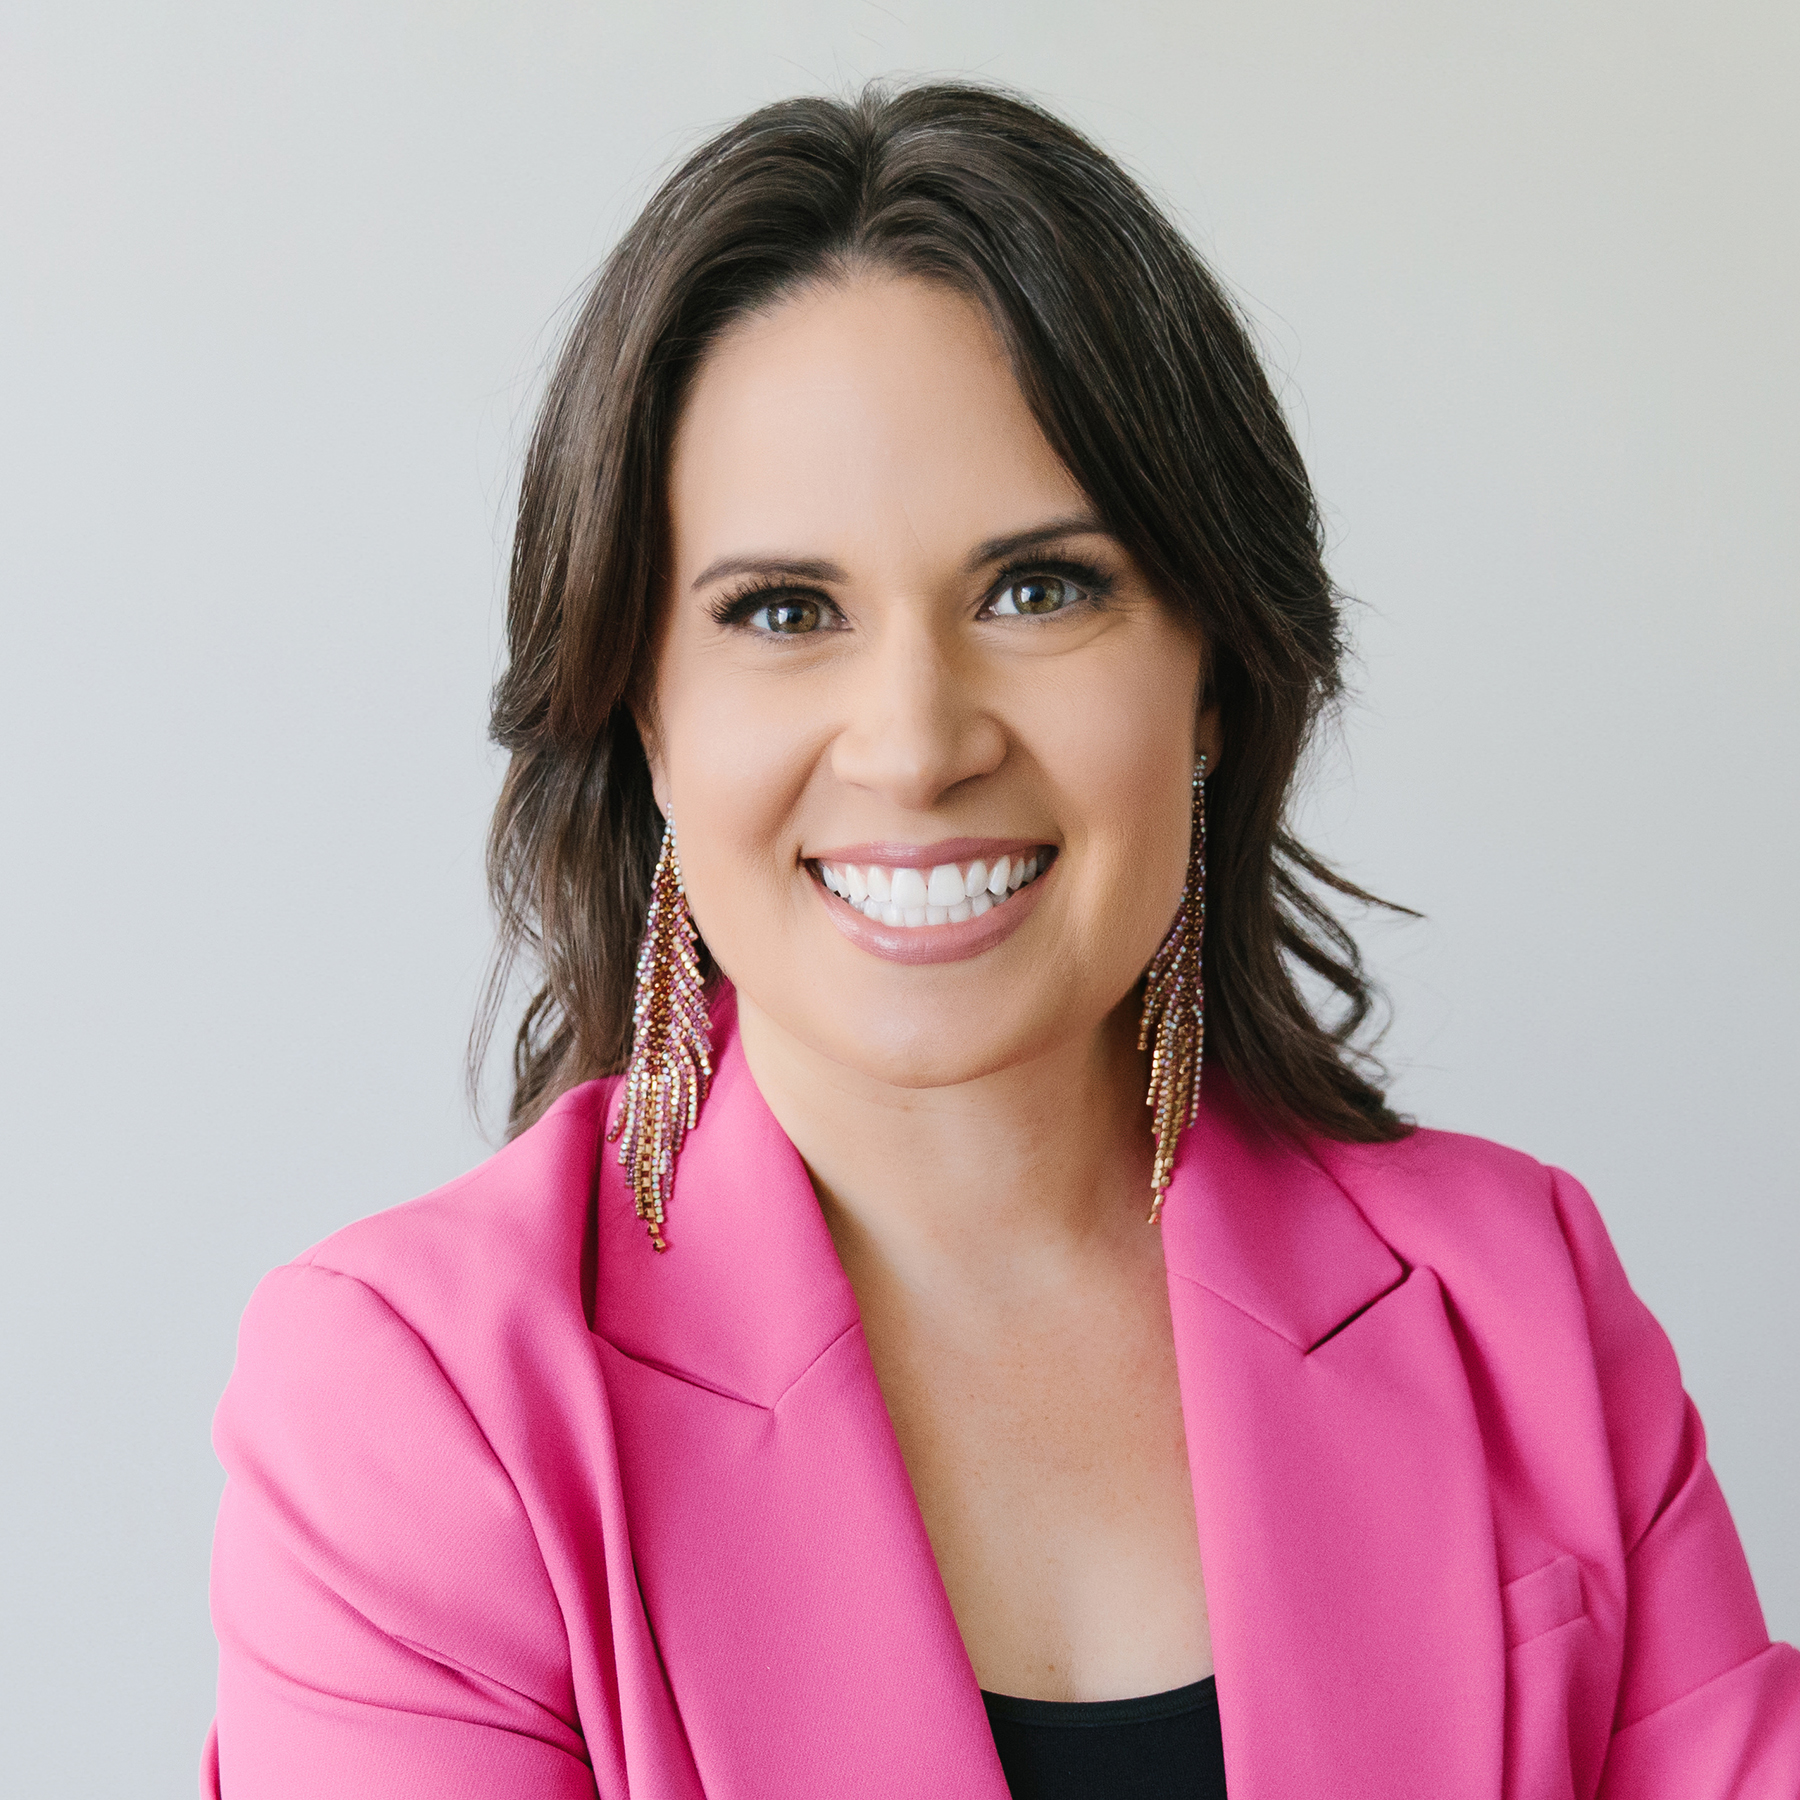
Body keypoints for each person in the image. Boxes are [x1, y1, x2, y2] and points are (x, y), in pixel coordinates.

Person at [201, 82, 1800, 1799]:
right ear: (644, 716)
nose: (915, 739)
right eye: (783, 612)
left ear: (1211, 674)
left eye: (1039, 588)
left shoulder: (1521, 1300)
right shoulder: (418, 1408)